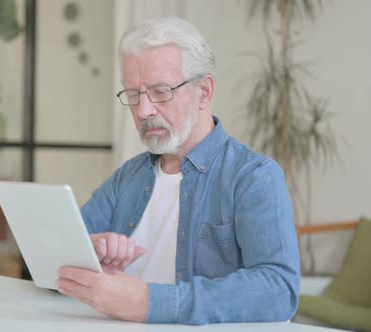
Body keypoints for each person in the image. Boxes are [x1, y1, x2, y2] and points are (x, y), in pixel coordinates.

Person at [55, 17, 300, 325]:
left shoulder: (254, 177)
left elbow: (279, 290)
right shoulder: (129, 177)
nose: (143, 111)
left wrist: (150, 302)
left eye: (160, 92)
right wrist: (86, 255)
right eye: (133, 94)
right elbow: (59, 253)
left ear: (204, 92)